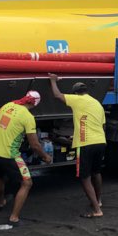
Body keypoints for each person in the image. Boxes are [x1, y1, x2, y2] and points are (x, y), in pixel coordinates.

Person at [0, 89, 52, 226]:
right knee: (27, 183)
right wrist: (45, 156)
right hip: (9, 155)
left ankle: (1, 202)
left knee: (0, 176)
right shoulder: (28, 117)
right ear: (35, 104)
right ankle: (14, 218)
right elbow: (35, 145)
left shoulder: (8, 105)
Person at [49, 74, 107, 218]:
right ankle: (98, 201)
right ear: (87, 91)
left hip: (86, 144)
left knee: (84, 177)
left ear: (75, 92)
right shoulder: (97, 103)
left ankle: (96, 210)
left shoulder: (77, 100)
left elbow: (57, 95)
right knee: (96, 172)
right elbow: (102, 125)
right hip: (100, 141)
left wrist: (52, 80)